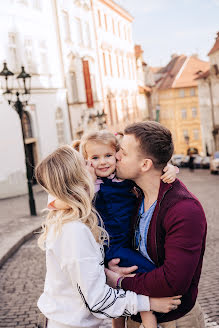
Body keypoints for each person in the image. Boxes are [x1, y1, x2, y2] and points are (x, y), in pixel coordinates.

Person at [35, 145, 181, 328]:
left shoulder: (75, 216)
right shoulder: (74, 231)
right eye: (86, 163)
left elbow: (81, 277)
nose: (93, 164)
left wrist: (108, 274)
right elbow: (97, 300)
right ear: (79, 178)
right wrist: (149, 302)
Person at [104, 121, 207, 327]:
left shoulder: (184, 210)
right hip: (135, 313)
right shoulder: (131, 193)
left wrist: (118, 281)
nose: (116, 157)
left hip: (175, 319)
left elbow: (172, 281)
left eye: (123, 153)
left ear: (145, 165)